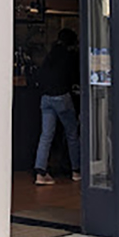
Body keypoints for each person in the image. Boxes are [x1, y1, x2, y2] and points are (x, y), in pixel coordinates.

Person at [34, 28, 81, 185]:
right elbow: (74, 76)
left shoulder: (50, 55)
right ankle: (76, 170)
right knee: (72, 133)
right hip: (62, 97)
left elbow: (41, 75)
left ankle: (40, 172)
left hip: (45, 98)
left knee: (46, 135)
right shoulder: (70, 56)